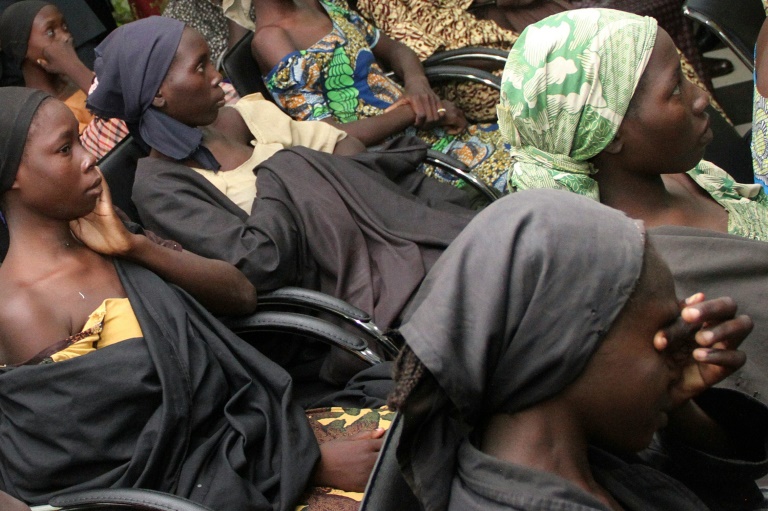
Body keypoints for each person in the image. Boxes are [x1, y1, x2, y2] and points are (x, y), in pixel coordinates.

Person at [0, 86, 387, 510]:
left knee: (417, 416)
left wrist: (136, 247)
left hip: (254, 429)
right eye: (64, 149)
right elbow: (124, 465)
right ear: (13, 174)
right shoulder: (23, 306)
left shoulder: (109, 237)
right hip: (218, 484)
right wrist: (303, 464)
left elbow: (240, 295)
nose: (89, 157)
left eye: (80, 141)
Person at [86, 16, 478, 352]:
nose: (217, 77)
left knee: (481, 245)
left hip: (380, 231)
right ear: (158, 94)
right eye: (200, 67)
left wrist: (320, 181)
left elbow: (343, 146)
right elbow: (257, 263)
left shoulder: (243, 116)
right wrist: (283, 170)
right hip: (339, 291)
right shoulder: (160, 187)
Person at [390, 189, 768, 511]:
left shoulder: (592, 459)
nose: (675, 361)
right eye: (661, 336)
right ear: (571, 344)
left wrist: (679, 408)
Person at [498, 8, 768, 242]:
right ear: (609, 134)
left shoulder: (682, 173)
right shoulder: (676, 259)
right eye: (675, 89)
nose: (701, 98)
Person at [249, 0, 515, 190]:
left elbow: (397, 50)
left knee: (529, 144)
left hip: (433, 128)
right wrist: (415, 110)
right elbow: (330, 135)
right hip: (406, 162)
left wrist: (418, 84)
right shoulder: (272, 40)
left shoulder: (324, 5)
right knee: (522, 180)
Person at [0, 0, 129, 158]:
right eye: (50, 32)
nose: (66, 37)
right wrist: (73, 67)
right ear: (22, 48)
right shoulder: (39, 114)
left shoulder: (85, 80)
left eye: (65, 27)